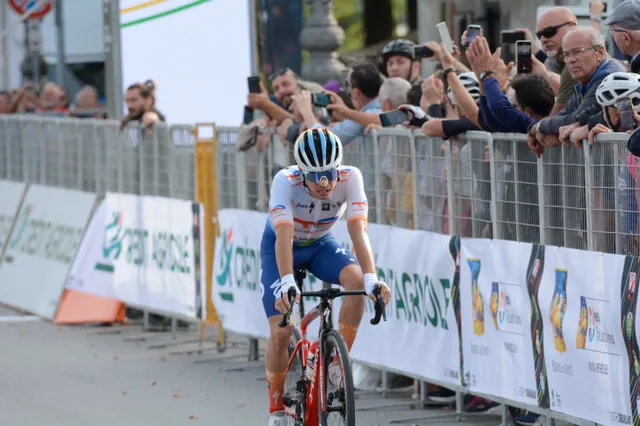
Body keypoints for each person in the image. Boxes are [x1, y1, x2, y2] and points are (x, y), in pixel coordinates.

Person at [262, 127, 391, 426]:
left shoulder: (351, 177)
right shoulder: (285, 180)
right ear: (301, 172)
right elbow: (283, 234)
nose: (324, 183)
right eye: (315, 175)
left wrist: (372, 277)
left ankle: (335, 365)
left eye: (330, 173)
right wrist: (286, 282)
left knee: (356, 280)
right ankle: (276, 409)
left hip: (321, 243)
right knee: (281, 331)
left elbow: (358, 229)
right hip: (282, 248)